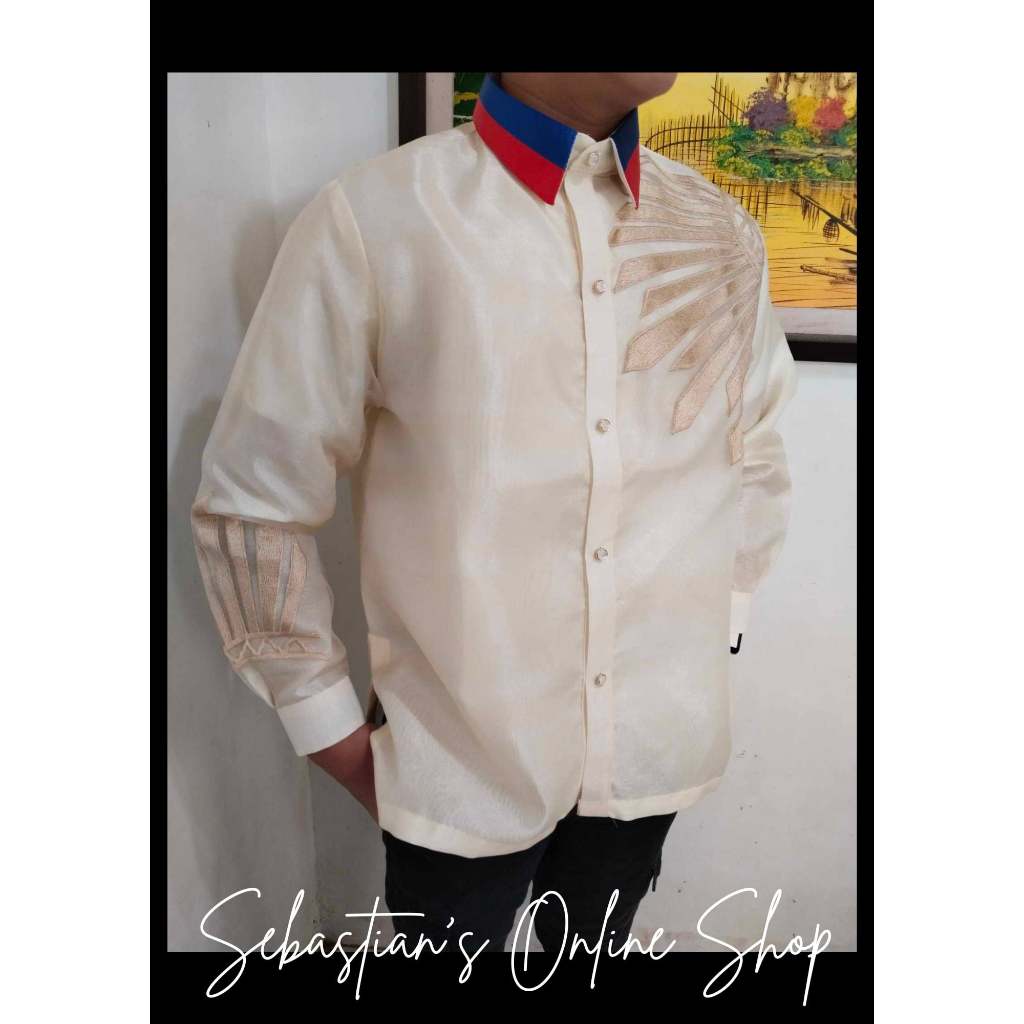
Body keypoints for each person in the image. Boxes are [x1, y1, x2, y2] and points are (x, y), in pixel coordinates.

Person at [190, 72, 797, 953]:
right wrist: (327, 729)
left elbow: (754, 443)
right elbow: (256, 496)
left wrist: (717, 622)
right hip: (454, 765)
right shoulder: (378, 219)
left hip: (653, 748)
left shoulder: (720, 232)